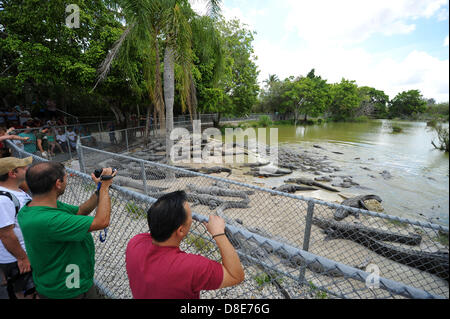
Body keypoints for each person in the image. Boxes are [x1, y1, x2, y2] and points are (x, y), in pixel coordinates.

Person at [17, 162, 116, 299]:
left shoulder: (32, 208)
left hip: (55, 282)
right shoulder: (49, 220)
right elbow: (102, 221)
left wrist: (99, 189)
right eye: (66, 178)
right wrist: (105, 187)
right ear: (58, 183)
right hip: (69, 289)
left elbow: (80, 211)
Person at [125, 190, 245, 299]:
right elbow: (235, 275)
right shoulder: (190, 267)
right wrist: (219, 234)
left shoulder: (135, 243)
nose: (193, 219)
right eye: (190, 216)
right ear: (181, 230)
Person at [0, 156, 36, 299]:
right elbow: (6, 234)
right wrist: (22, 258)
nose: (27, 169)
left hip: (23, 253)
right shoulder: (3, 199)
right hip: (16, 258)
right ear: (12, 173)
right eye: (23, 167)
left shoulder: (16, 190)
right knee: (25, 293)